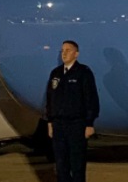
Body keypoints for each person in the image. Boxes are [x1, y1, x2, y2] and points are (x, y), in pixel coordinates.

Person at [45, 40, 99, 182]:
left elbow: (91, 98)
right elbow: (50, 98)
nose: (64, 53)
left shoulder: (83, 73)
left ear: (76, 54)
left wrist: (89, 123)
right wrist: (50, 121)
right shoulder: (55, 73)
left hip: (76, 124)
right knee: (61, 164)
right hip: (59, 124)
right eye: (62, 50)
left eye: (68, 50)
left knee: (77, 164)